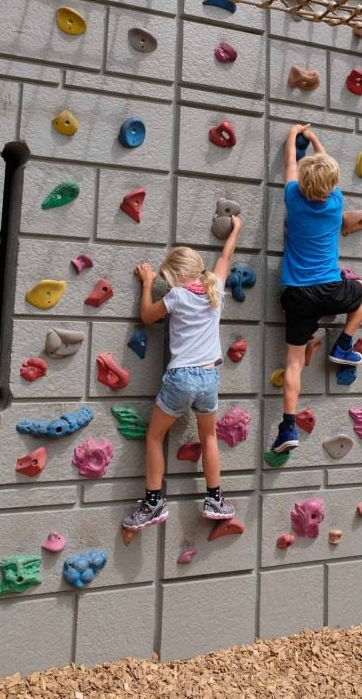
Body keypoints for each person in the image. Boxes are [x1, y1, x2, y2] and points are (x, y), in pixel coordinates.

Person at [122, 216, 242, 530]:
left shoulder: (176, 296)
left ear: (176, 275)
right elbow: (225, 257)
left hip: (181, 377)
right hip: (209, 377)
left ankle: (153, 503)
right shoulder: (214, 287)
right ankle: (215, 499)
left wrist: (148, 283)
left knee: (155, 435)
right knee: (209, 436)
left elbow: (148, 316)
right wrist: (236, 229)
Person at [272, 124, 362, 453]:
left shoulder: (293, 198)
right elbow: (325, 161)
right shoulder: (335, 203)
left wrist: (292, 136)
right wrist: (315, 137)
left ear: (303, 181)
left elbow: (291, 164)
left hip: (298, 294)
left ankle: (288, 428)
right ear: (331, 185)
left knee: (292, 362)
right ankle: (343, 343)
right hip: (331, 289)